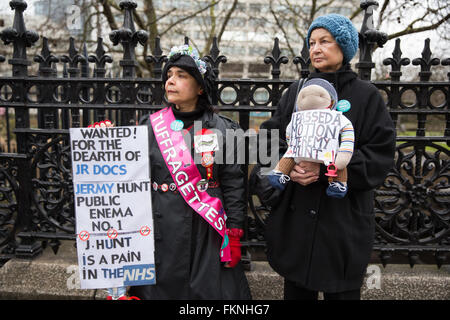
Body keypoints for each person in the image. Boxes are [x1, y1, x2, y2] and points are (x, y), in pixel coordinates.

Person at [261, 13, 396, 300]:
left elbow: (379, 157)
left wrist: (327, 170)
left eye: (325, 41)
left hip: (342, 225)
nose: (315, 49)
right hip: (297, 224)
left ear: (344, 46)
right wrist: (288, 167)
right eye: (311, 43)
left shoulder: (367, 95)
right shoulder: (296, 92)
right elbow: (268, 142)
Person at [114, 45, 251, 299]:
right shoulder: (148, 126)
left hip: (206, 232)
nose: (171, 81)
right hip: (159, 231)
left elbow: (234, 183)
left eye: (181, 76)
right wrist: (107, 141)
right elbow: (125, 178)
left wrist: (233, 233)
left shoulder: (225, 129)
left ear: (200, 87)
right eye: (169, 75)